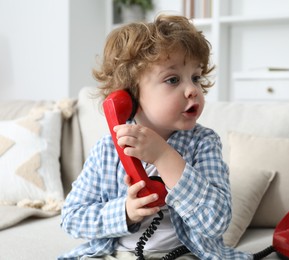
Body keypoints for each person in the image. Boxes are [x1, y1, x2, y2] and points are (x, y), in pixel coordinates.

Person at [60, 14, 252, 260]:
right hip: (116, 253)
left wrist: (164, 156)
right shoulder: (107, 150)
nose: (193, 89)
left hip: (182, 253)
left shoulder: (203, 143)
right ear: (129, 97)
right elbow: (71, 218)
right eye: (172, 79)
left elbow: (216, 221)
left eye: (196, 77)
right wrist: (125, 212)